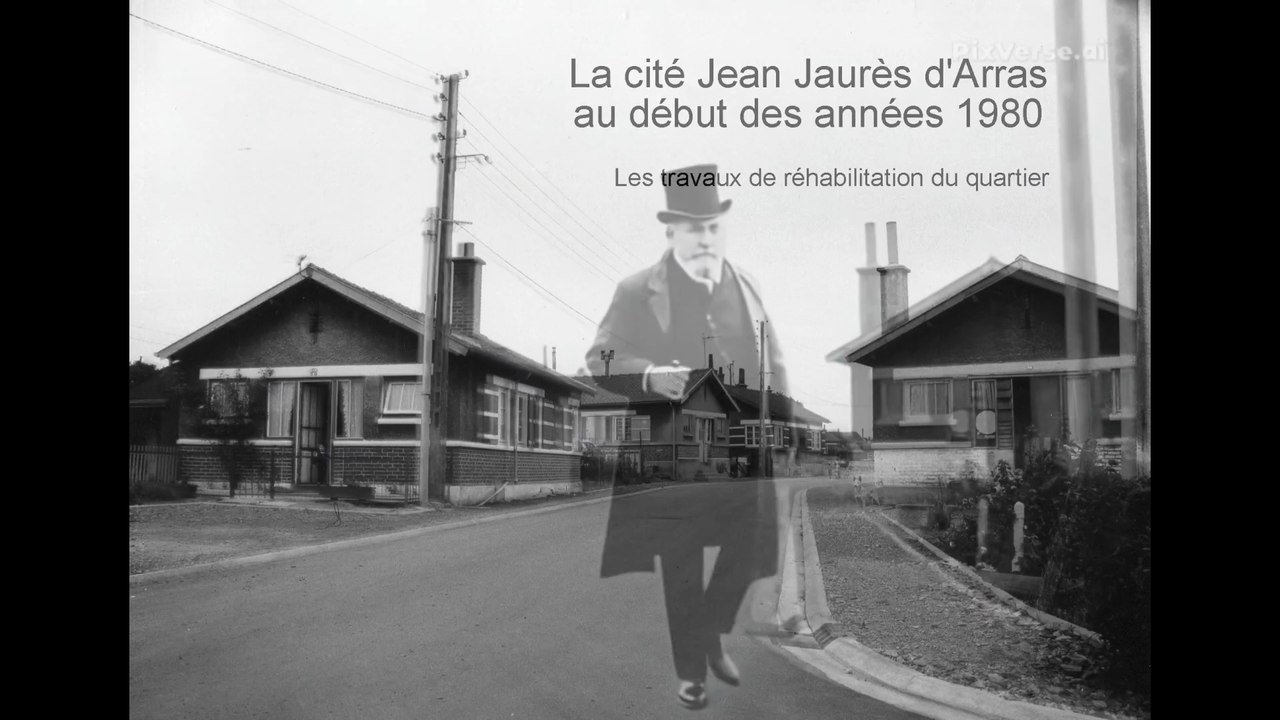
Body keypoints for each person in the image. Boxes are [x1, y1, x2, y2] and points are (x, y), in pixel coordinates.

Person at [590, 164, 786, 710]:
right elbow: (598, 359)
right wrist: (650, 374)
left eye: (712, 227)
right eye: (692, 226)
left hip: (723, 447)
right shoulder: (635, 290)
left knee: (750, 545)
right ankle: (692, 673)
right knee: (680, 569)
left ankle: (712, 632)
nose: (703, 237)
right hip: (665, 455)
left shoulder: (739, 289)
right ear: (671, 230)